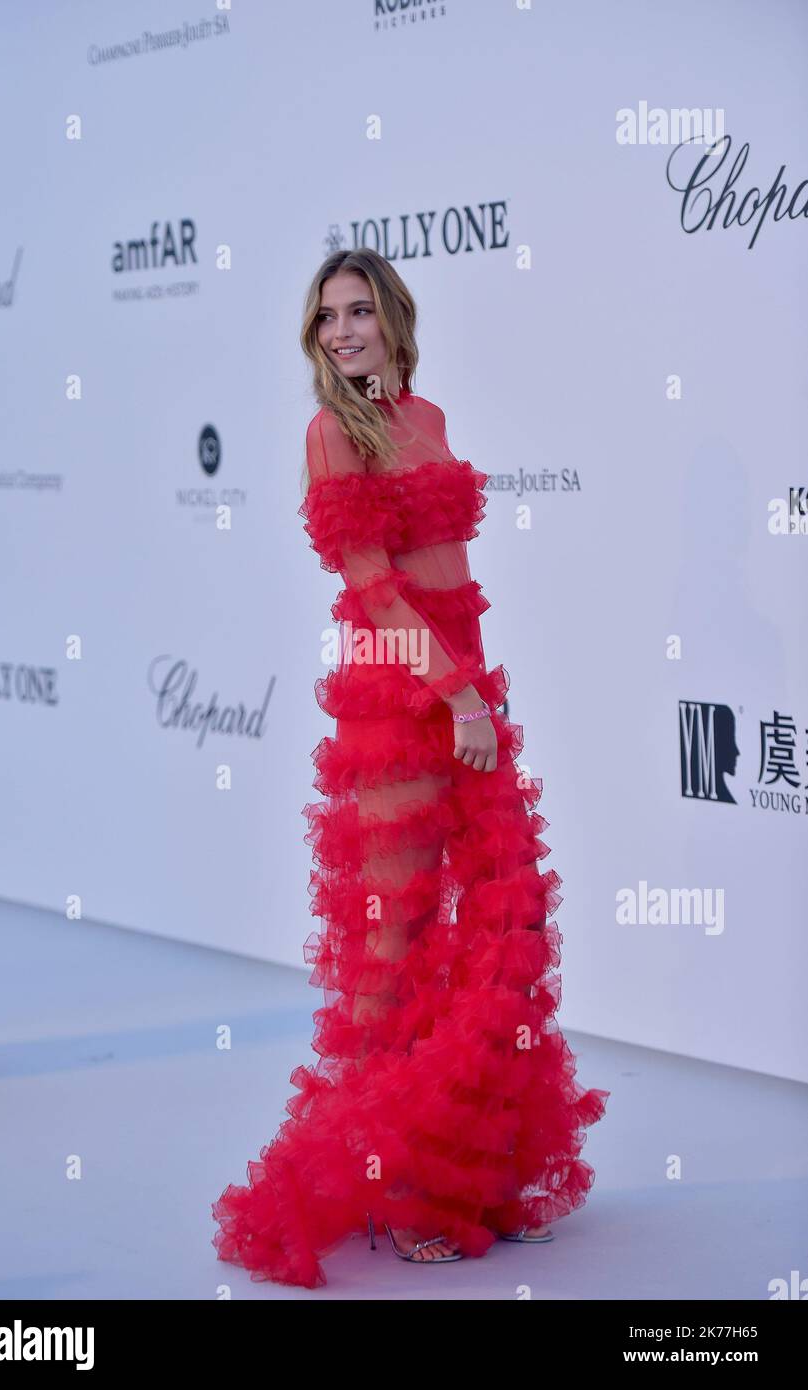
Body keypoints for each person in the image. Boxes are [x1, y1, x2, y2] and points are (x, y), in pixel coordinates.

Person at [211, 248, 609, 1289]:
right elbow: (376, 592)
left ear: (391, 317)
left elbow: (454, 577)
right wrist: (456, 694)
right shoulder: (330, 431)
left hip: (466, 694)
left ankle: (473, 1171)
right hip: (400, 701)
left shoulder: (424, 418)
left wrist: (480, 691)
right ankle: (396, 1188)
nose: (339, 332)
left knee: (489, 934)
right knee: (392, 952)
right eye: (323, 318)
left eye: (355, 312)